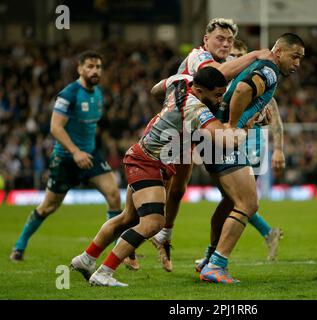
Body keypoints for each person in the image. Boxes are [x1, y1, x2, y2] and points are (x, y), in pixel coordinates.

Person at [70, 66, 246, 287]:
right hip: (147, 162)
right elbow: (225, 141)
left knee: (129, 218)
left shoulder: (181, 81)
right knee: (153, 223)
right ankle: (104, 273)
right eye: (218, 95)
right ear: (200, 91)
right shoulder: (195, 108)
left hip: (147, 157)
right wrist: (244, 125)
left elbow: (155, 90)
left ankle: (86, 259)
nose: (221, 100)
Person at [149, 18, 274, 272]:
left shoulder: (227, 65)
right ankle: (151, 238)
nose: (226, 43)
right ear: (206, 40)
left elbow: (231, 98)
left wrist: (257, 114)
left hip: (203, 130)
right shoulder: (198, 56)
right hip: (180, 128)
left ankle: (206, 254)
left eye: (229, 40)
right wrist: (254, 55)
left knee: (231, 198)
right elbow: (219, 77)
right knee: (170, 188)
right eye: (220, 38)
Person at [9, 51, 138, 270]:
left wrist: (86, 151)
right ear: (79, 68)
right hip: (67, 158)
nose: (95, 70)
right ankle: (19, 246)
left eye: (98, 66)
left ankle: (120, 251)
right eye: (90, 66)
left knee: (114, 195)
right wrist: (76, 152)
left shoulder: (98, 93)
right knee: (49, 206)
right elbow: (55, 128)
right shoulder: (68, 94)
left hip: (90, 155)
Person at [197, 33, 305, 283]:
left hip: (213, 140)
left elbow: (245, 95)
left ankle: (209, 259)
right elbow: (243, 89)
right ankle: (216, 265)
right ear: (278, 52)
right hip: (222, 140)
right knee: (248, 204)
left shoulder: (265, 68)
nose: (297, 63)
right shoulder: (269, 70)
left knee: (230, 202)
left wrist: (248, 119)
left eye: (301, 59)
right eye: (295, 56)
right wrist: (234, 125)